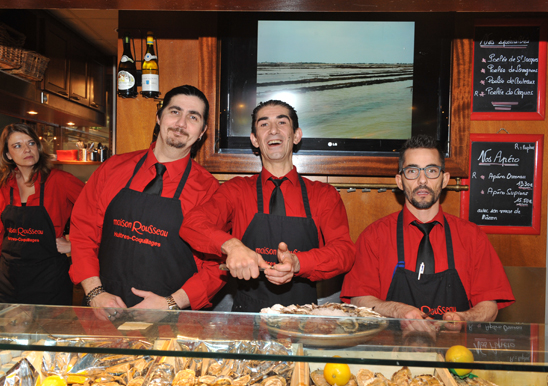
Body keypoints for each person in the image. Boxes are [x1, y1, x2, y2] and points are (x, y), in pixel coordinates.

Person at [180, 100, 356, 312]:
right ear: (255, 140)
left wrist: (299, 263)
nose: (273, 130)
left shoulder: (324, 194)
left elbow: (344, 252)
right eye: (264, 125)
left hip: (303, 320)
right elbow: (191, 224)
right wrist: (232, 246)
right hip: (247, 320)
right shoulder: (236, 190)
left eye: (282, 122)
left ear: (296, 135)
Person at [69, 85, 225, 315]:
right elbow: (83, 233)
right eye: (175, 112)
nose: (181, 123)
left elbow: (216, 267)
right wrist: (94, 293)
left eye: (193, 117)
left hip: (171, 325)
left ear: (202, 131)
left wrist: (171, 303)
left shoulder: (209, 190)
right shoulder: (113, 168)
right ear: (158, 118)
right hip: (104, 314)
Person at [341, 135, 515, 323]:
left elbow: (489, 307)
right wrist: (398, 311)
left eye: (431, 170)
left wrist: (461, 319)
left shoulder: (472, 237)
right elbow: (358, 300)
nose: (422, 180)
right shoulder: (374, 236)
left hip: (454, 349)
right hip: (390, 349)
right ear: (399, 181)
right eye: (412, 171)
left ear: (445, 179)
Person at [0, 123, 84, 305]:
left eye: (31, 143)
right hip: (8, 280)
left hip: (50, 281)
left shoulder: (61, 181)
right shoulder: (1, 188)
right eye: (17, 145)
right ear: (8, 154)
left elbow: (100, 213)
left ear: (38, 148)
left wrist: (74, 244)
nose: (27, 149)